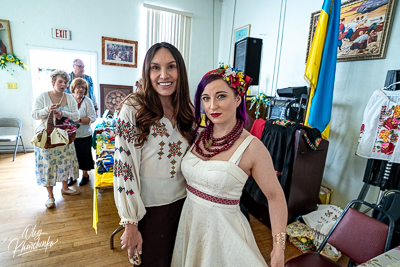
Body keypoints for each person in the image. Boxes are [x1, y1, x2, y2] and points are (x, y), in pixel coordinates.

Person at [171, 65, 288, 267]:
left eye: (221, 96)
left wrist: (279, 248)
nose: (212, 106)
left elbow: (275, 196)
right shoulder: (197, 135)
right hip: (190, 226)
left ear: (237, 98)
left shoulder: (252, 148)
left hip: (225, 236)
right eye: (206, 98)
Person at [114, 42, 194, 266]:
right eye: (155, 68)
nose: (164, 75)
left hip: (184, 207)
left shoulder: (188, 111)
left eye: (171, 66)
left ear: (181, 71)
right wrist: (130, 222)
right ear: (147, 72)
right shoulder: (133, 108)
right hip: (147, 212)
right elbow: (123, 166)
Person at [32, 70, 81, 209]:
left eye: (65, 82)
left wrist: (62, 113)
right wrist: (47, 110)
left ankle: (65, 188)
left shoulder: (69, 98)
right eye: (60, 81)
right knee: (48, 164)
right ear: (53, 82)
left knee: (65, 161)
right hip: (46, 137)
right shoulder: (43, 96)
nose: (63, 84)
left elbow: (76, 116)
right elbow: (34, 115)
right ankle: (50, 196)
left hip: (64, 136)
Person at [68, 78, 96, 186]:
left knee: (84, 155)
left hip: (84, 134)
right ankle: (72, 176)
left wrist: (79, 120)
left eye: (83, 87)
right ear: (73, 88)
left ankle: (85, 175)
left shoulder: (88, 101)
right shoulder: (68, 99)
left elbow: (92, 117)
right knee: (71, 156)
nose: (81, 89)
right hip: (70, 134)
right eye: (78, 87)